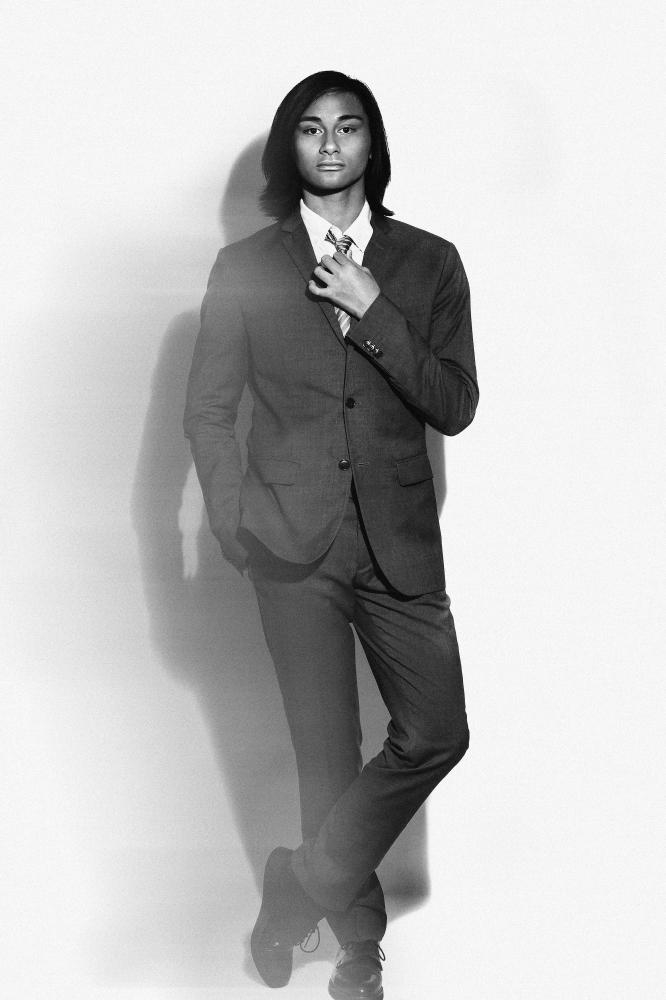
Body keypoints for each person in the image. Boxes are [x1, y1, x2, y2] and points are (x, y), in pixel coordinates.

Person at [184, 69, 478, 1000]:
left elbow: (454, 403)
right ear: (292, 147)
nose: (330, 144)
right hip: (288, 547)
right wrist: (233, 523)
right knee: (327, 755)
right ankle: (358, 952)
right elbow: (208, 409)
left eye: (348, 128)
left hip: (398, 545)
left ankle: (296, 885)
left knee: (436, 732)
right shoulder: (245, 268)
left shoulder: (429, 263)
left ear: (370, 145)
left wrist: (372, 306)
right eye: (310, 129)